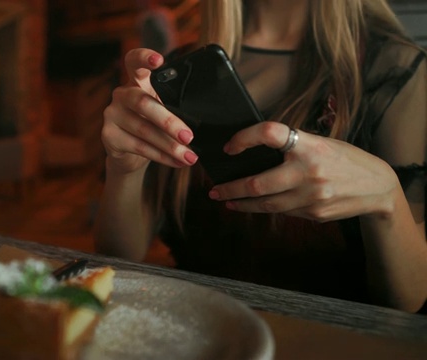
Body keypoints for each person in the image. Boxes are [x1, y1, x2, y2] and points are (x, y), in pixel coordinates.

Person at [95, 0, 427, 313]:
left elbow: (407, 300)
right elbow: (120, 257)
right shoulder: (184, 69)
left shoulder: (393, 69)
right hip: (202, 332)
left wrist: (387, 198)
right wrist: (125, 167)